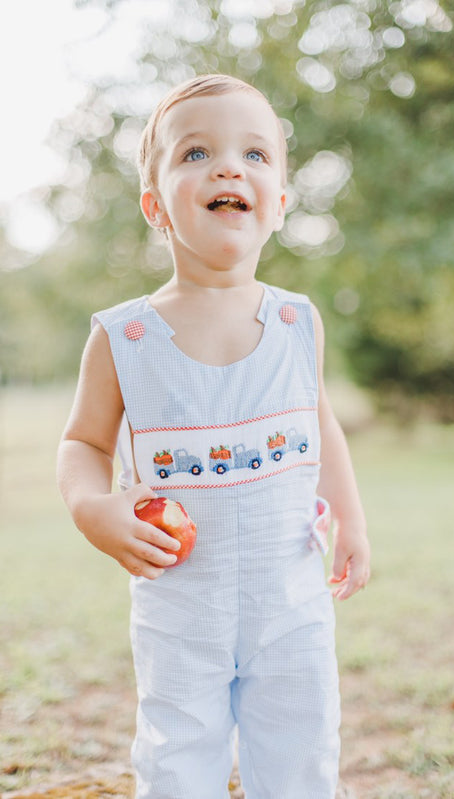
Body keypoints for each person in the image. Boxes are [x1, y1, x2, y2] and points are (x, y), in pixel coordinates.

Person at [57, 73, 370, 799]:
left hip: (289, 598)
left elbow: (318, 422)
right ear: (155, 205)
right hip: (180, 605)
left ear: (280, 206)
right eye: (196, 153)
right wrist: (90, 506)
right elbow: (83, 443)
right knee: (177, 754)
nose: (229, 167)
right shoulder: (124, 335)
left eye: (255, 155)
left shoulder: (298, 321)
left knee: (299, 747)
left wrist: (349, 517)